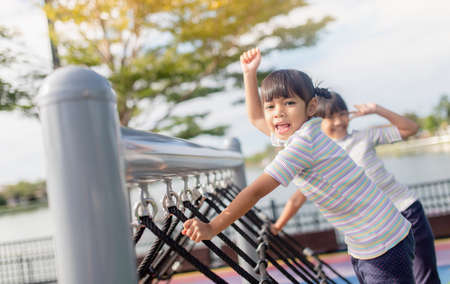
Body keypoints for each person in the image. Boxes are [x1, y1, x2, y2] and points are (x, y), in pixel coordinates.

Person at [182, 48, 415, 283]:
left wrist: (213, 227)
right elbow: (255, 118)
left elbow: (255, 192)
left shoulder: (303, 145)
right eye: (270, 106)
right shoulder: (298, 135)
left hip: (381, 240)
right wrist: (249, 74)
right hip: (369, 241)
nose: (278, 113)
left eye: (289, 103)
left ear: (311, 107)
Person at [311, 91, 440, 284]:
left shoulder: (364, 136)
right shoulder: (321, 156)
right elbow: (300, 194)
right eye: (330, 117)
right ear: (316, 120)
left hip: (406, 212)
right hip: (373, 230)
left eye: (342, 114)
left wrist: (377, 110)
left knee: (426, 278)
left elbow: (411, 129)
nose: (338, 121)